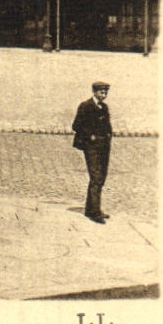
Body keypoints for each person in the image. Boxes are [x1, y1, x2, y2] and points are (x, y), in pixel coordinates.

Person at [71, 81, 113, 223]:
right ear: (94, 92)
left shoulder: (104, 107)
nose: (104, 95)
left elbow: (107, 126)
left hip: (104, 147)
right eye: (101, 92)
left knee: (101, 177)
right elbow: (76, 125)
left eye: (106, 93)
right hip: (91, 147)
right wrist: (90, 136)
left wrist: (107, 137)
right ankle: (94, 213)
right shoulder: (85, 106)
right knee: (95, 177)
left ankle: (92, 208)